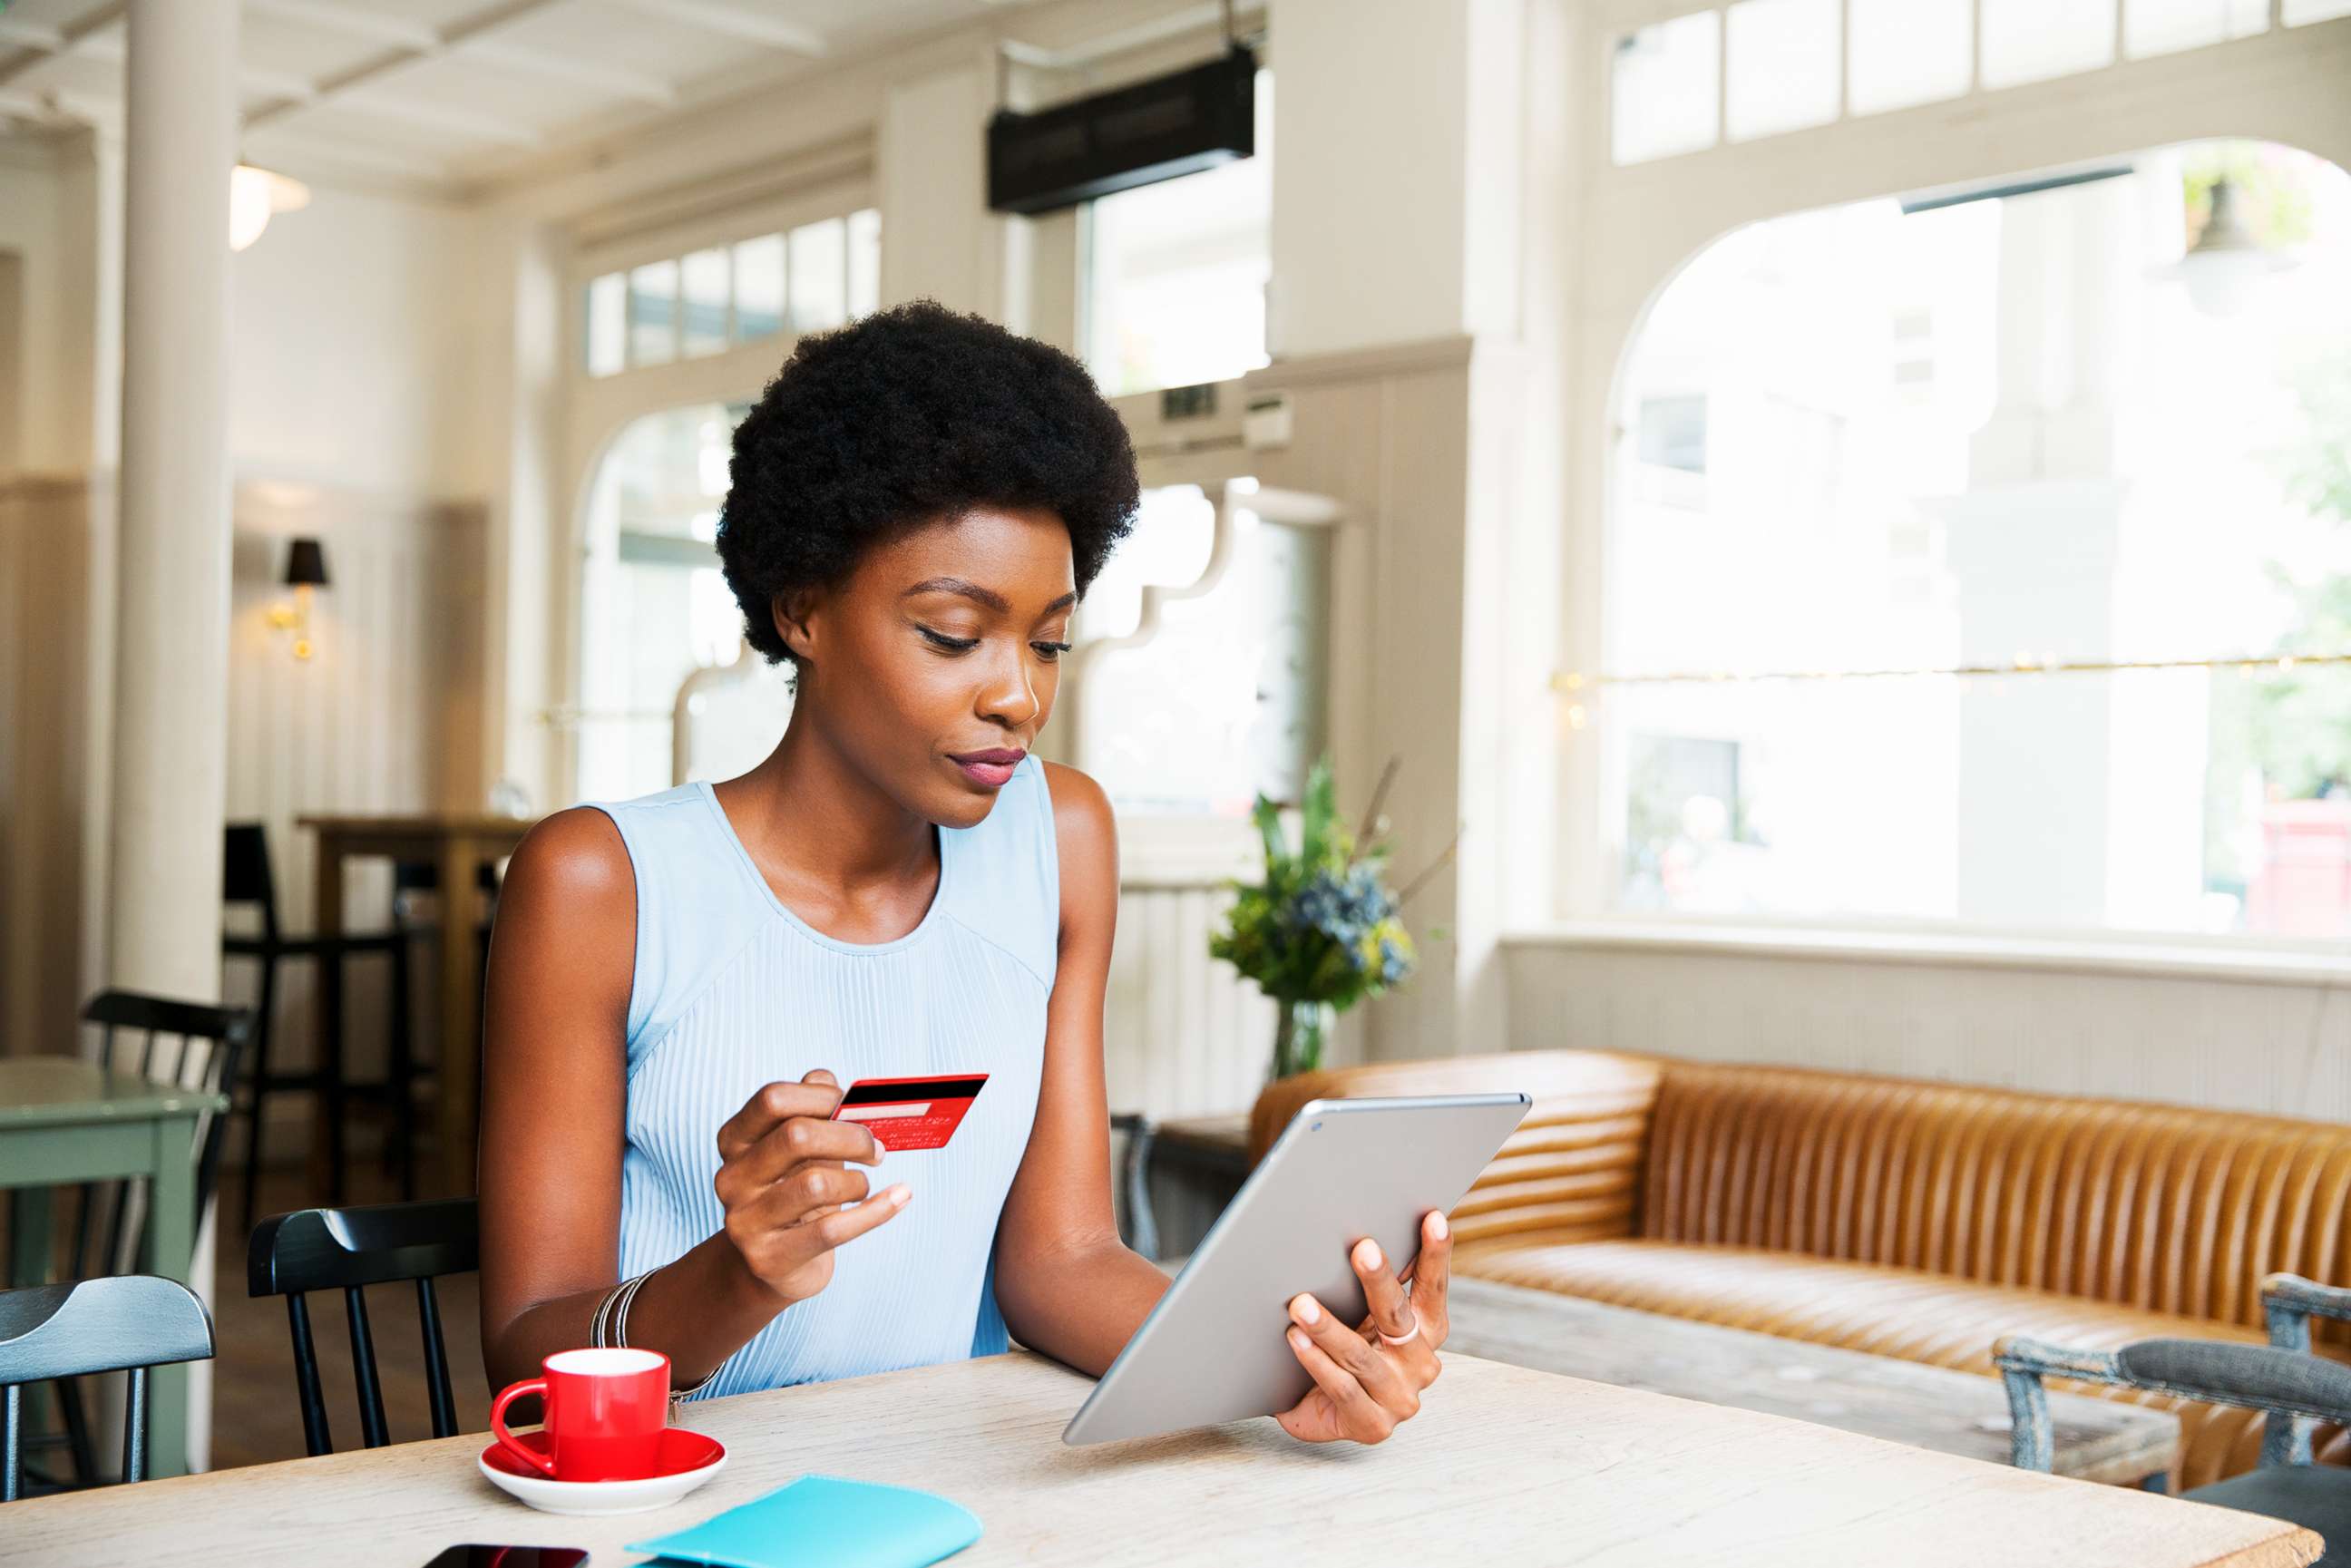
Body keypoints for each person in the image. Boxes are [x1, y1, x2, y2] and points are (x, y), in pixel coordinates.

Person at [477, 300, 1451, 1445]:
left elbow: (1063, 1259)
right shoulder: (600, 881)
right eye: (952, 634)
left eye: (1048, 641)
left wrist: (1299, 1366)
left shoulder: (1063, 838)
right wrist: (738, 1278)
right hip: (690, 1494)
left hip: (967, 1492)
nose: (1018, 696)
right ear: (802, 610)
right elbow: (527, 1350)